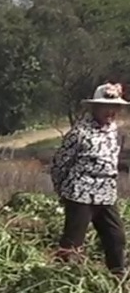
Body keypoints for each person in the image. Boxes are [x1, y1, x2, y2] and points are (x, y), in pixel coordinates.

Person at [51, 82, 130, 274]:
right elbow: (60, 164)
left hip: (106, 194)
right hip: (80, 193)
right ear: (95, 107)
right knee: (73, 242)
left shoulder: (114, 131)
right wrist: (63, 191)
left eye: (115, 108)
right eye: (106, 107)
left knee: (116, 236)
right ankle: (62, 279)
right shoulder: (79, 133)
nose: (111, 112)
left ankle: (118, 277)